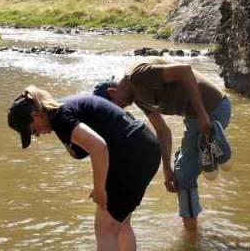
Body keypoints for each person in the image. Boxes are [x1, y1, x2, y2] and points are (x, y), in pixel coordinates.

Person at [8, 86, 160, 251]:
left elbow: (98, 147)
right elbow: (88, 148)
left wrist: (100, 190)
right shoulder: (64, 109)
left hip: (130, 153)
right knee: (120, 224)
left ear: (36, 114)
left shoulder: (60, 117)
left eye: (31, 130)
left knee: (104, 230)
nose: (36, 134)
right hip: (146, 145)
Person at [94, 58, 231, 231]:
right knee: (179, 164)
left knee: (184, 175)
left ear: (112, 91)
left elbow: (185, 70)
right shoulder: (136, 97)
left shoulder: (138, 75)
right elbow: (162, 130)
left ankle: (191, 238)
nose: (121, 111)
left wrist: (203, 115)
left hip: (211, 110)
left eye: (115, 108)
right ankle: (210, 145)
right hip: (195, 117)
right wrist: (166, 168)